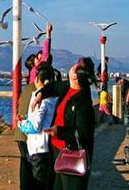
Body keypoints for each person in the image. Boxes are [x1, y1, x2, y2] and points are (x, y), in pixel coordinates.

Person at [33, 57, 96, 190]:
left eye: (75, 65)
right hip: (57, 151)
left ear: (75, 76)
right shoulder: (67, 87)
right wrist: (40, 94)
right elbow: (53, 86)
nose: (72, 66)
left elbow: (84, 134)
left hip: (71, 154)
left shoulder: (83, 101)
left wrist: (59, 132)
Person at [18, 67, 58, 189]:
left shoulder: (40, 99)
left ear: (37, 79)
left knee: (38, 183)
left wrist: (21, 125)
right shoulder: (54, 97)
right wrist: (26, 117)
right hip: (46, 146)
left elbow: (35, 126)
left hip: (38, 147)